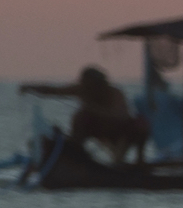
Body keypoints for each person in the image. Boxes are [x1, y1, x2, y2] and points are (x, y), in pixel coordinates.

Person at [20, 66, 150, 164]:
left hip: (121, 132)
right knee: (81, 116)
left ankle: (139, 160)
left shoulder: (115, 93)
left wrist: (95, 110)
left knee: (141, 123)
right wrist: (31, 88)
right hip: (98, 130)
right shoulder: (83, 89)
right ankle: (78, 155)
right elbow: (54, 90)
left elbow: (121, 116)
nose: (90, 89)